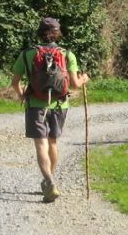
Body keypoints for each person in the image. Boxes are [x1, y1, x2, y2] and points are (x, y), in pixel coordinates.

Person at [10, 16, 89, 202]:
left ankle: (49, 181)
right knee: (53, 143)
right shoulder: (67, 54)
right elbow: (75, 84)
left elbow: (15, 82)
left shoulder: (27, 54)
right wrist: (84, 78)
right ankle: (49, 182)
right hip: (60, 105)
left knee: (41, 144)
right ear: (57, 33)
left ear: (39, 33)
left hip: (35, 104)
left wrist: (22, 95)